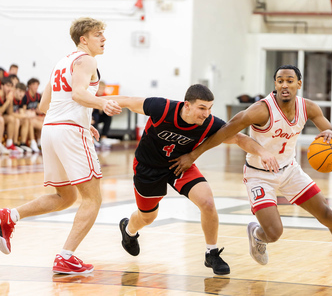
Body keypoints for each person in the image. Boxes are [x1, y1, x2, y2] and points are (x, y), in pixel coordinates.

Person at [170, 65, 332, 278]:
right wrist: (193, 155)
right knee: (274, 233)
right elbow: (225, 132)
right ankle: (257, 234)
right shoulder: (260, 110)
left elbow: (330, 128)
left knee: (327, 214)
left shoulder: (309, 107)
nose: (284, 85)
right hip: (259, 175)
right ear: (275, 84)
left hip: (290, 170)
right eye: (280, 81)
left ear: (298, 84)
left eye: (290, 81)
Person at [105, 84, 279, 276]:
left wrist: (262, 152)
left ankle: (211, 253)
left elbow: (237, 138)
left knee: (207, 202)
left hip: (181, 165)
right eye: (202, 108)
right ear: (187, 105)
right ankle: (128, 230)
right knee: (147, 217)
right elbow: (129, 101)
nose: (206, 113)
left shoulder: (209, 124)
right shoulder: (161, 108)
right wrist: (96, 103)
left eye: (210, 108)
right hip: (149, 167)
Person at [0, 17, 122, 275]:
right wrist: (101, 104)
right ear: (83, 39)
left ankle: (8, 216)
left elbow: (45, 105)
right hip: (68, 132)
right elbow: (78, 93)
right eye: (98, 34)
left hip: (52, 130)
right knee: (92, 198)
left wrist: (81, 120)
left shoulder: (61, 62)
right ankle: (66, 256)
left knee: (65, 196)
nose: (104, 38)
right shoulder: (87, 60)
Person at [24, 78, 44, 152]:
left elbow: (39, 110)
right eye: (34, 84)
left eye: (37, 85)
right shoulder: (25, 95)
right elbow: (23, 110)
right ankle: (33, 142)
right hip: (27, 116)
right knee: (31, 119)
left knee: (42, 119)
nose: (36, 87)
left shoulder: (38, 95)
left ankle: (39, 141)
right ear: (29, 86)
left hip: (34, 116)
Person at [91, 81, 113, 147]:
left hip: (101, 114)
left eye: (102, 88)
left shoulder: (105, 96)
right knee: (95, 116)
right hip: (93, 114)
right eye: (99, 88)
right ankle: (94, 138)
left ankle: (104, 137)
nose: (101, 90)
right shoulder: (93, 95)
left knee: (108, 117)